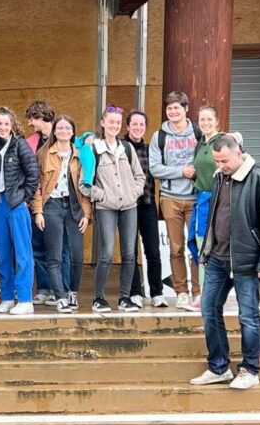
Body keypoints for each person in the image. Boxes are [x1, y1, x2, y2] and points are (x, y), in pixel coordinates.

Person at [190, 134, 260, 390]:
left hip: (247, 262)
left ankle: (250, 369)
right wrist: (205, 252)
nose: (220, 165)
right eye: (216, 161)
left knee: (248, 316)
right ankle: (218, 367)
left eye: (223, 160)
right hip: (217, 259)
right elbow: (214, 219)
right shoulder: (219, 177)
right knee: (209, 310)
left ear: (238, 153)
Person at [86, 106, 146, 313]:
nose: (114, 125)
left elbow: (140, 176)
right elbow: (84, 182)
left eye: (117, 123)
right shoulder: (93, 149)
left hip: (129, 206)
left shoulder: (127, 149)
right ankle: (99, 298)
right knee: (107, 253)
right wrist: (101, 195)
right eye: (110, 121)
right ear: (103, 123)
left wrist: (134, 193)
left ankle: (125, 297)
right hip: (106, 207)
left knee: (130, 253)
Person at [31, 115, 92, 314]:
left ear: (73, 132)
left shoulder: (80, 154)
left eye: (68, 128)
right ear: (54, 131)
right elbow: (37, 186)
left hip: (74, 207)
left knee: (76, 255)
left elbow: (85, 186)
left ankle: (72, 291)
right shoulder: (44, 154)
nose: (64, 131)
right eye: (60, 128)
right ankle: (60, 297)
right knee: (54, 255)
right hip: (52, 206)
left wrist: (86, 214)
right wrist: (38, 211)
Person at [0, 107, 39, 315]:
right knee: (2, 254)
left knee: (22, 253)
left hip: (15, 203)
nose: (3, 127)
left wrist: (23, 198)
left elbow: (33, 174)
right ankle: (7, 296)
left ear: (12, 125)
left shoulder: (19, 145)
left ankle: (25, 298)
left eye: (6, 124)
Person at [148, 91, 202, 310]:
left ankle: (199, 293)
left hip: (196, 198)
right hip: (170, 198)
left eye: (177, 108)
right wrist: (183, 171)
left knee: (198, 247)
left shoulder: (198, 132)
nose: (172, 112)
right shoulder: (159, 136)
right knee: (176, 247)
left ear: (186, 109)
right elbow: (154, 168)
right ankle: (180, 292)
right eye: (169, 108)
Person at [25, 100, 67, 305]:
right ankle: (44, 288)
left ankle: (61, 289)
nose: (30, 123)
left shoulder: (63, 134)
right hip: (37, 200)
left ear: (42, 117)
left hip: (59, 201)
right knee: (38, 245)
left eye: (32, 119)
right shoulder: (31, 142)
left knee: (60, 249)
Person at [125, 110, 166, 307]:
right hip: (127, 206)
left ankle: (157, 292)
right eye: (134, 124)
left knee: (153, 251)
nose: (138, 128)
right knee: (129, 251)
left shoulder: (151, 149)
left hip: (148, 204)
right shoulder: (121, 147)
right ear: (127, 126)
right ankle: (134, 292)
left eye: (142, 124)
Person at [185, 105, 223, 311]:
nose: (206, 123)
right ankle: (203, 295)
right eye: (202, 120)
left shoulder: (225, 141)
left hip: (220, 200)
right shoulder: (200, 144)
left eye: (209, 119)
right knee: (200, 247)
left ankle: (252, 295)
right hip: (201, 200)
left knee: (222, 247)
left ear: (217, 121)